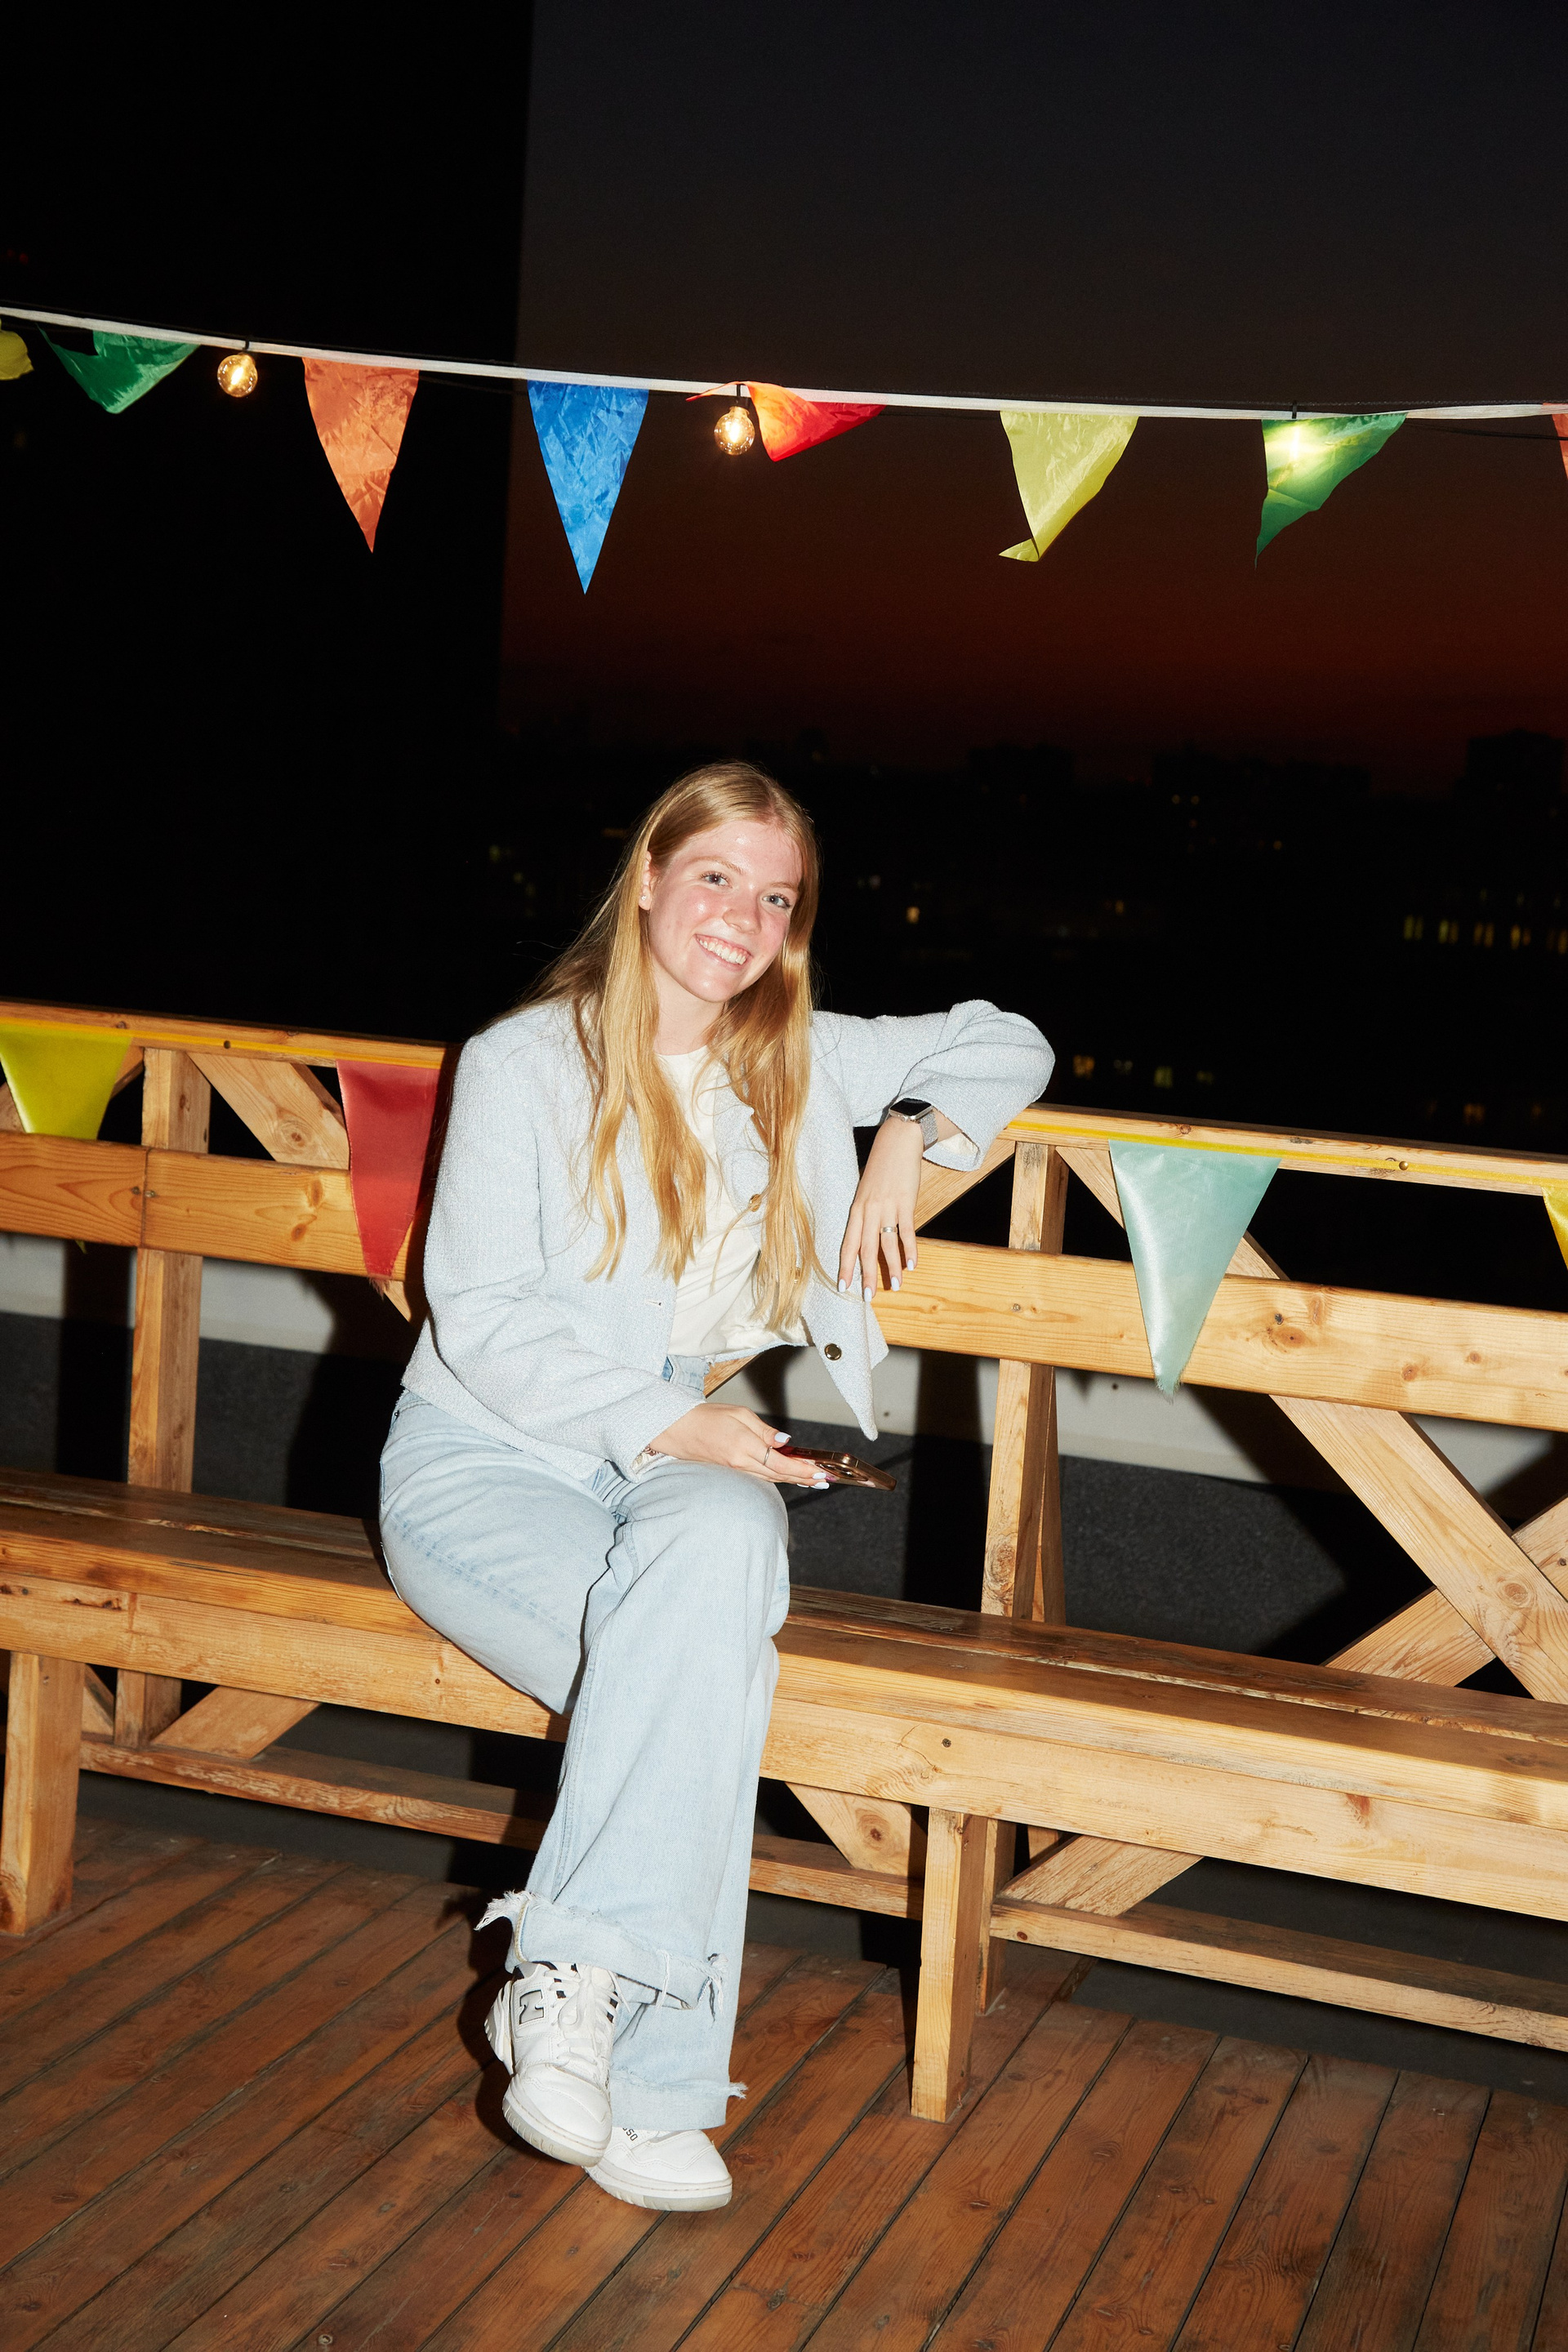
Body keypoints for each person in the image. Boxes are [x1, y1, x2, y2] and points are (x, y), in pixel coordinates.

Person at [379, 761, 1052, 2213]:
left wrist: (905, 1133)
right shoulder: (525, 1062)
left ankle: (567, 1993)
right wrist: (674, 1424)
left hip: (672, 1461)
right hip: (485, 1462)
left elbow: (1010, 1040)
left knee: (728, 1546)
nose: (743, 919)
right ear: (646, 880)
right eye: (716, 878)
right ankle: (657, 2083)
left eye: (777, 897)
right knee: (704, 1664)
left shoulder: (795, 1059)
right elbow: (478, 1314)